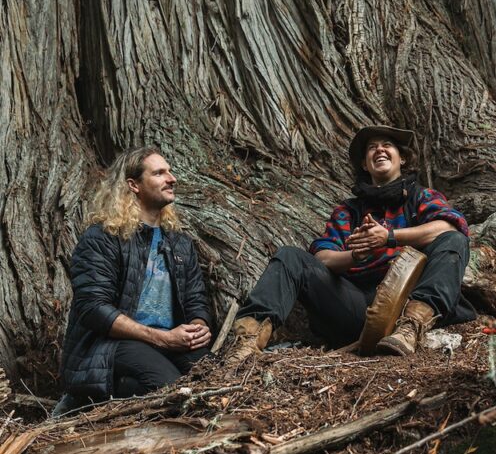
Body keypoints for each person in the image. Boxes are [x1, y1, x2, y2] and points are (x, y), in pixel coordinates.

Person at [229, 125, 474, 360]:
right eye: (372, 148)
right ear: (364, 165)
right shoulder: (347, 211)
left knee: (454, 239)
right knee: (290, 257)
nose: (379, 150)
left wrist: (388, 237)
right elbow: (322, 258)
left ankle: (412, 327)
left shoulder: (422, 197)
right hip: (359, 307)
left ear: (403, 159)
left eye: (387, 145)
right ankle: (246, 343)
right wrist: (357, 254)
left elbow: (449, 228)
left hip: (409, 297)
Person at [56, 147, 212, 415]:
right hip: (109, 346)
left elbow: (196, 298)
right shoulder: (103, 238)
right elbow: (93, 309)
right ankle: (79, 402)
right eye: (160, 173)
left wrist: (198, 327)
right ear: (134, 185)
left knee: (212, 381)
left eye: (170, 171)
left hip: (168, 341)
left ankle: (121, 390)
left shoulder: (179, 243)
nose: (172, 178)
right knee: (172, 389)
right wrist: (162, 338)